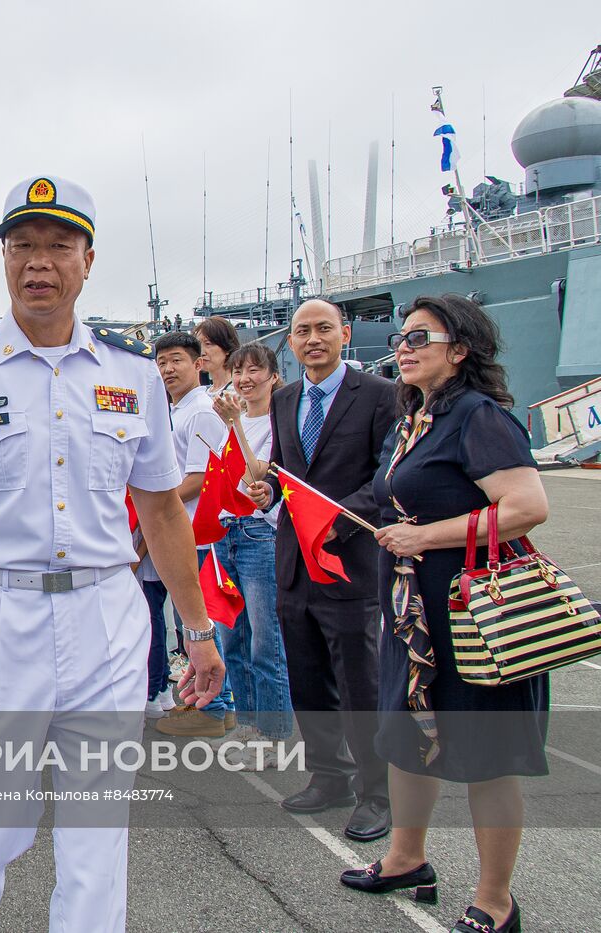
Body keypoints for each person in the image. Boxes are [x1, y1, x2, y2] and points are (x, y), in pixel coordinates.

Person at [0, 175, 225, 933]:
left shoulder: (131, 374)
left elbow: (159, 507)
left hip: (106, 620)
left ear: (88, 260)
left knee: (98, 839)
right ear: (2, 257)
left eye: (59, 245)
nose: (39, 261)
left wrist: (196, 627)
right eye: (22, 244)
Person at [340, 294, 549, 933]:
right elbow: (404, 502)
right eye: (400, 339)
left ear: (459, 350)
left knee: (487, 752)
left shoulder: (479, 417)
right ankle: (407, 859)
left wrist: (425, 538)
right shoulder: (417, 419)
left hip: (475, 614)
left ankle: (496, 902)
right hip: (415, 614)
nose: (401, 348)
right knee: (405, 740)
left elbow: (525, 506)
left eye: (419, 338)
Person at [247, 298, 397, 841]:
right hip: (293, 564)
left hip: (348, 564)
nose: (313, 339)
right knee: (308, 678)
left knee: (360, 681)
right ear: (290, 342)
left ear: (345, 333)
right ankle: (328, 775)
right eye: (302, 331)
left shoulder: (381, 397)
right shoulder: (285, 400)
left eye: (324, 329)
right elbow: (289, 474)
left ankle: (377, 793)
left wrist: (339, 520)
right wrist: (267, 492)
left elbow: (388, 476)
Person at [144, 330, 236, 737]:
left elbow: (199, 479)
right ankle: (206, 701)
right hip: (180, 531)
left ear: (198, 363)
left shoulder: (199, 411)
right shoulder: (178, 409)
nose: (167, 369)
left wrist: (150, 501)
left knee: (198, 626)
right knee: (181, 626)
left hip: (195, 534)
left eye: (176, 359)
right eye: (161, 362)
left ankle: (215, 708)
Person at [210, 343, 294, 764]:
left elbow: (257, 474)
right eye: (238, 371)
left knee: (266, 640)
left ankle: (276, 733)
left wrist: (236, 426)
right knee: (233, 635)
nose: (245, 378)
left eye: (254, 370)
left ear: (274, 376)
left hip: (260, 533)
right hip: (226, 532)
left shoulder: (284, 421)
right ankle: (246, 723)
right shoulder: (230, 419)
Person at [194, 315, 240, 396]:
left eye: (208, 344)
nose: (202, 352)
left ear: (227, 347)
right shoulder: (203, 393)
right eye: (198, 344)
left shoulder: (239, 392)